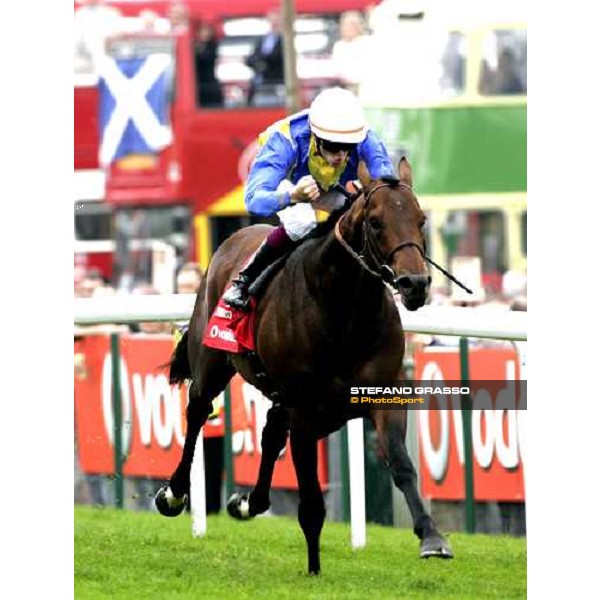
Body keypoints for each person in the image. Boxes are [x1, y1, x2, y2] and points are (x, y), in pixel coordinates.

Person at [223, 86, 395, 310]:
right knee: (302, 222)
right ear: (316, 137)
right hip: (290, 184)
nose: (341, 155)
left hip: (331, 185)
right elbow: (254, 201)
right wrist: (293, 195)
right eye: (333, 147)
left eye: (348, 147)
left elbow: (387, 184)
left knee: (365, 212)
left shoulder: (366, 139)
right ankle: (244, 280)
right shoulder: (284, 142)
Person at [245, 10, 284, 106]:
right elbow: (250, 58)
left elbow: (277, 58)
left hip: (275, 83)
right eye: (272, 20)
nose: (274, 23)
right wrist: (259, 63)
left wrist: (262, 60)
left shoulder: (284, 39)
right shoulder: (262, 39)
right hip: (259, 84)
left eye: (277, 20)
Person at [331, 11, 371, 94]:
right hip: (341, 86)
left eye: (348, 25)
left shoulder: (365, 42)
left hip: (362, 87)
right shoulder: (339, 45)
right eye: (343, 25)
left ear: (357, 27)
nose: (344, 29)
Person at [194, 22, 223, 107]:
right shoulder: (194, 45)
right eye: (203, 31)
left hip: (208, 83)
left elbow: (206, 57)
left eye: (208, 31)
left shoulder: (213, 46)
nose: (205, 34)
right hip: (197, 83)